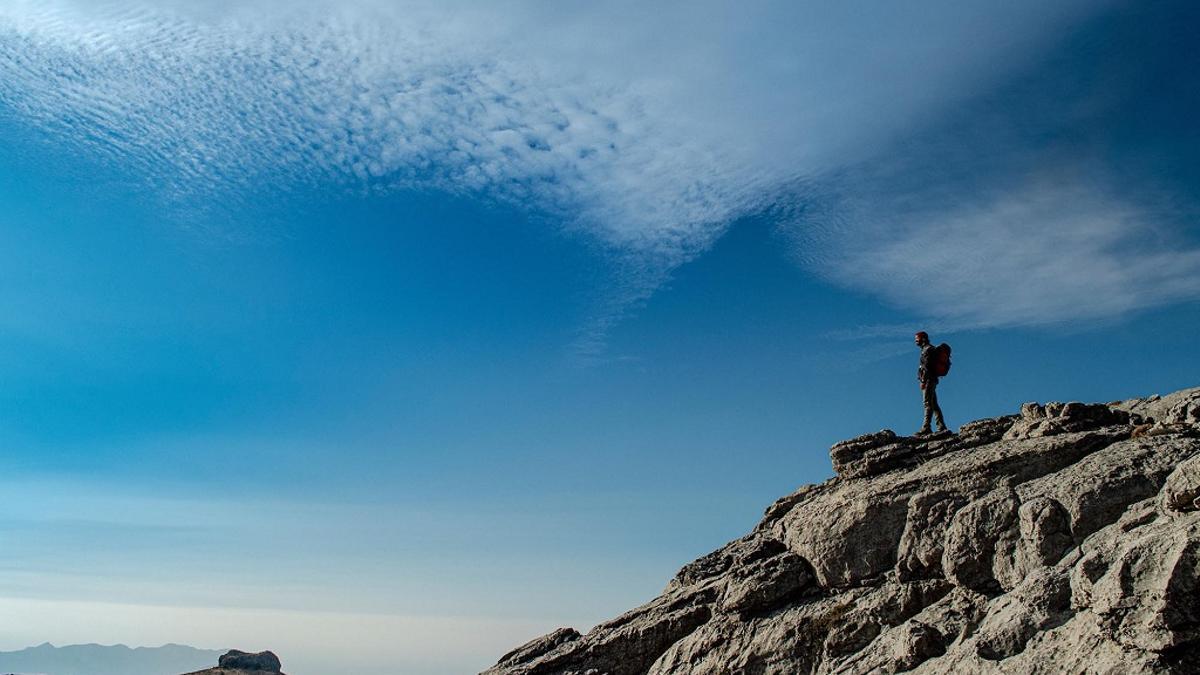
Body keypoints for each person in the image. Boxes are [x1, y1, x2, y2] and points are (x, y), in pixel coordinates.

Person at [915, 331, 947, 435]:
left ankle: (926, 427)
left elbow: (926, 367)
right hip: (932, 379)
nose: (916, 341)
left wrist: (923, 381)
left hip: (928, 380)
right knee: (934, 404)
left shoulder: (927, 350)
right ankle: (941, 426)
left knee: (927, 403)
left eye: (917, 338)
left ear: (923, 339)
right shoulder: (929, 349)